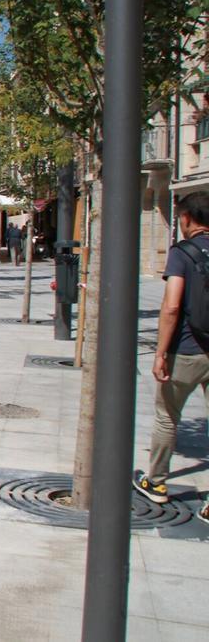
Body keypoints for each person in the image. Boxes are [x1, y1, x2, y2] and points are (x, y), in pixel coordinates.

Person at [134, 191, 209, 524]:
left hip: (187, 350)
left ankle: (157, 482)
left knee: (167, 417)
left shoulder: (182, 253)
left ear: (187, 219)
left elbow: (172, 305)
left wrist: (160, 352)